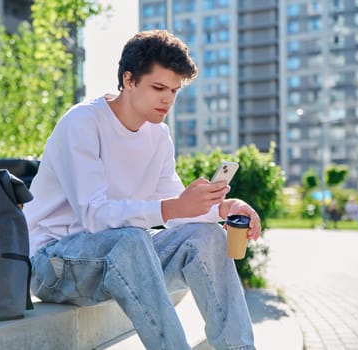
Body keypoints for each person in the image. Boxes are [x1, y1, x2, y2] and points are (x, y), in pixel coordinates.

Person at [23, 30, 260, 350]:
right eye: (159, 87)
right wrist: (174, 207)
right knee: (132, 238)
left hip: (121, 259)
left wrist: (221, 209)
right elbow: (95, 215)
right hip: (54, 264)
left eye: (175, 91)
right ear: (129, 80)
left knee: (206, 236)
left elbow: (175, 207)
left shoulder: (158, 136)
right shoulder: (82, 122)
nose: (168, 99)